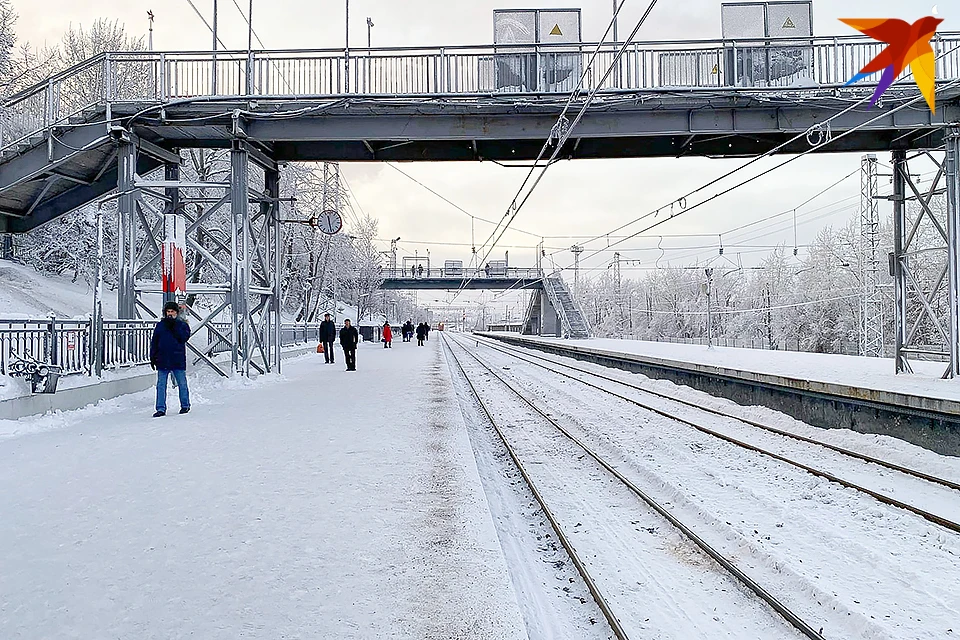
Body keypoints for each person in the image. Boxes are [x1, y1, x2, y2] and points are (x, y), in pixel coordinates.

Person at [150, 300, 191, 417]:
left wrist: (175, 326)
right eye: (168, 311)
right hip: (162, 359)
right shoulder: (160, 325)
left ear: (176, 312)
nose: (170, 313)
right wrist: (153, 357)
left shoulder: (182, 325)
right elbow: (154, 342)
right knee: (161, 385)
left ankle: (185, 405)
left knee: (182, 383)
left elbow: (184, 337)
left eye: (172, 311)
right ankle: (160, 408)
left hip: (177, 359)